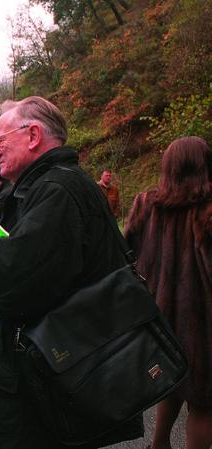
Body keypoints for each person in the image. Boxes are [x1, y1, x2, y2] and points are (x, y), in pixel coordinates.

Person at [0, 96, 143, 449]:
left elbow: (4, 283)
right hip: (40, 384)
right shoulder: (37, 188)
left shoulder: (58, 192)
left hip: (45, 396)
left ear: (32, 136)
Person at [124, 136, 212, 449]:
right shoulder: (206, 213)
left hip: (158, 320)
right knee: (203, 404)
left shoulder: (145, 204)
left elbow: (126, 257)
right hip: (201, 327)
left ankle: (158, 445)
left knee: (173, 384)